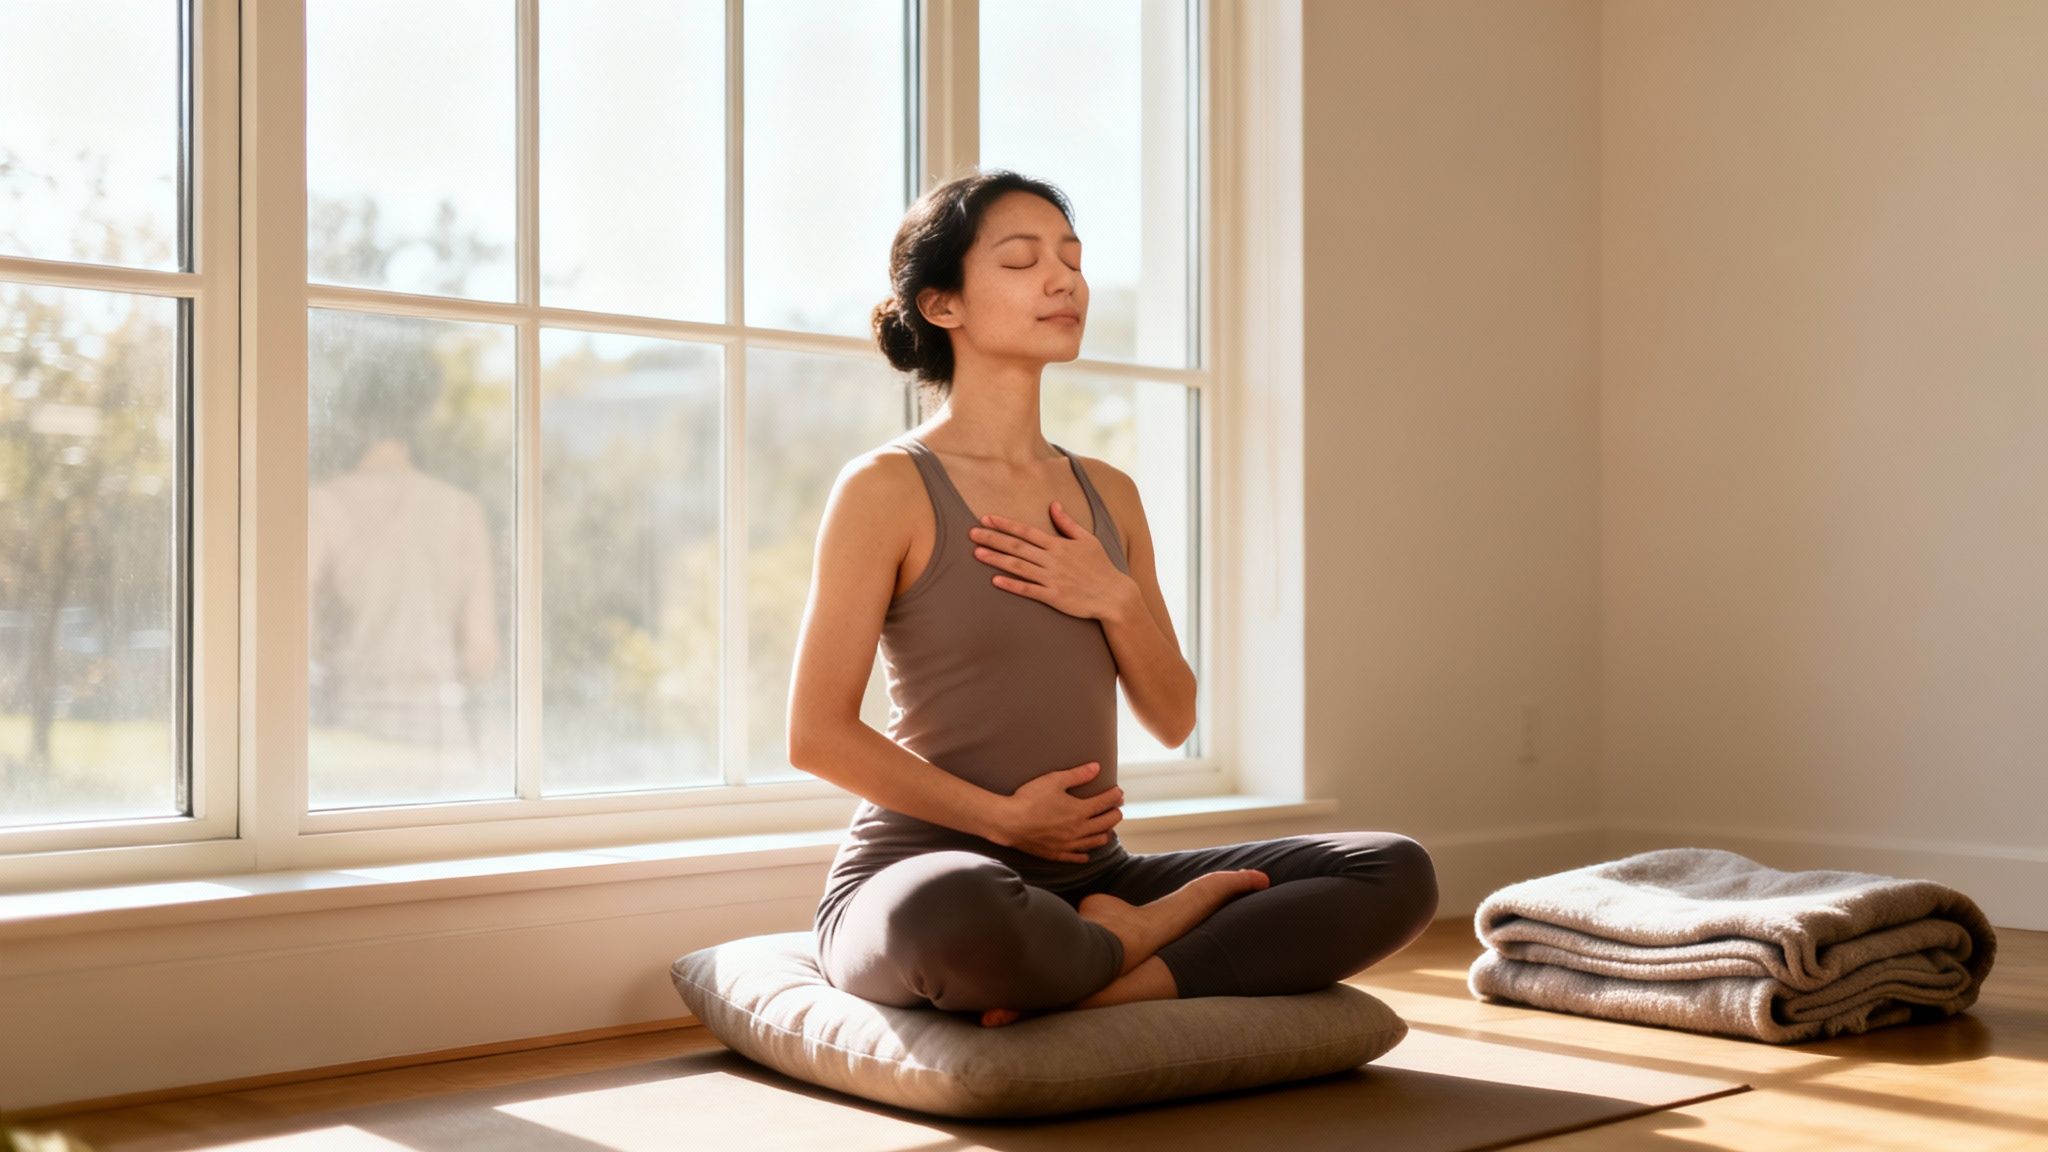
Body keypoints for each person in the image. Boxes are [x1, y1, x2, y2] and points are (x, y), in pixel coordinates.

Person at [787, 169, 1438, 1029]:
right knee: (957, 908)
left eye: (1073, 259)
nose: (1064, 280)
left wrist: (1114, 598)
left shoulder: (1109, 495)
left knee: (1394, 871)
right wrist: (1007, 823)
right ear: (943, 305)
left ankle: (1106, 968)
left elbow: (1172, 717)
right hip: (928, 872)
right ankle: (1132, 941)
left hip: (1092, 877)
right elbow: (815, 734)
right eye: (1022, 262)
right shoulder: (886, 488)